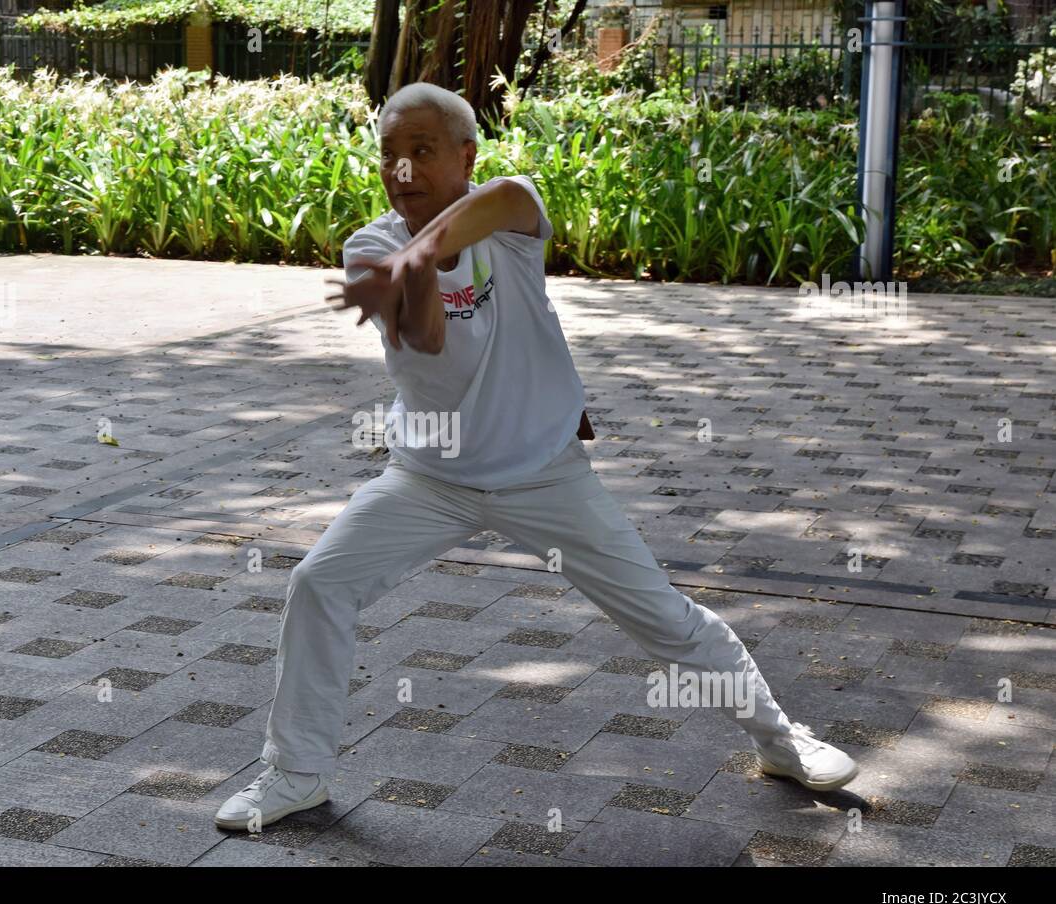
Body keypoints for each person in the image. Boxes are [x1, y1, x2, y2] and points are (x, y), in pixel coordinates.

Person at [213, 82, 858, 831]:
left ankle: (784, 743)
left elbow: (513, 193)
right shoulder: (372, 247)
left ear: (465, 156)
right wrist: (409, 274)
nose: (403, 171)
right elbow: (425, 341)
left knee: (664, 618)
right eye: (389, 154)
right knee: (319, 584)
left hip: (544, 474)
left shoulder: (508, 219)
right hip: (428, 478)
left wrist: (422, 254)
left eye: (422, 152)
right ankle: (295, 775)